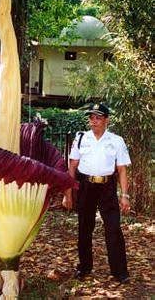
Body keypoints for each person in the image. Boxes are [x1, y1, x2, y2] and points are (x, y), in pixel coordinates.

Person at [62, 103, 131, 283]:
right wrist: (68, 194)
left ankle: (120, 272)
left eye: (98, 117)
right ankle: (84, 267)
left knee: (113, 228)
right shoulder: (81, 138)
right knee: (85, 227)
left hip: (107, 188)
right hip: (86, 186)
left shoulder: (116, 141)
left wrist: (124, 195)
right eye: (91, 117)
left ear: (106, 120)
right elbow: (72, 166)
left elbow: (122, 169)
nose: (94, 121)